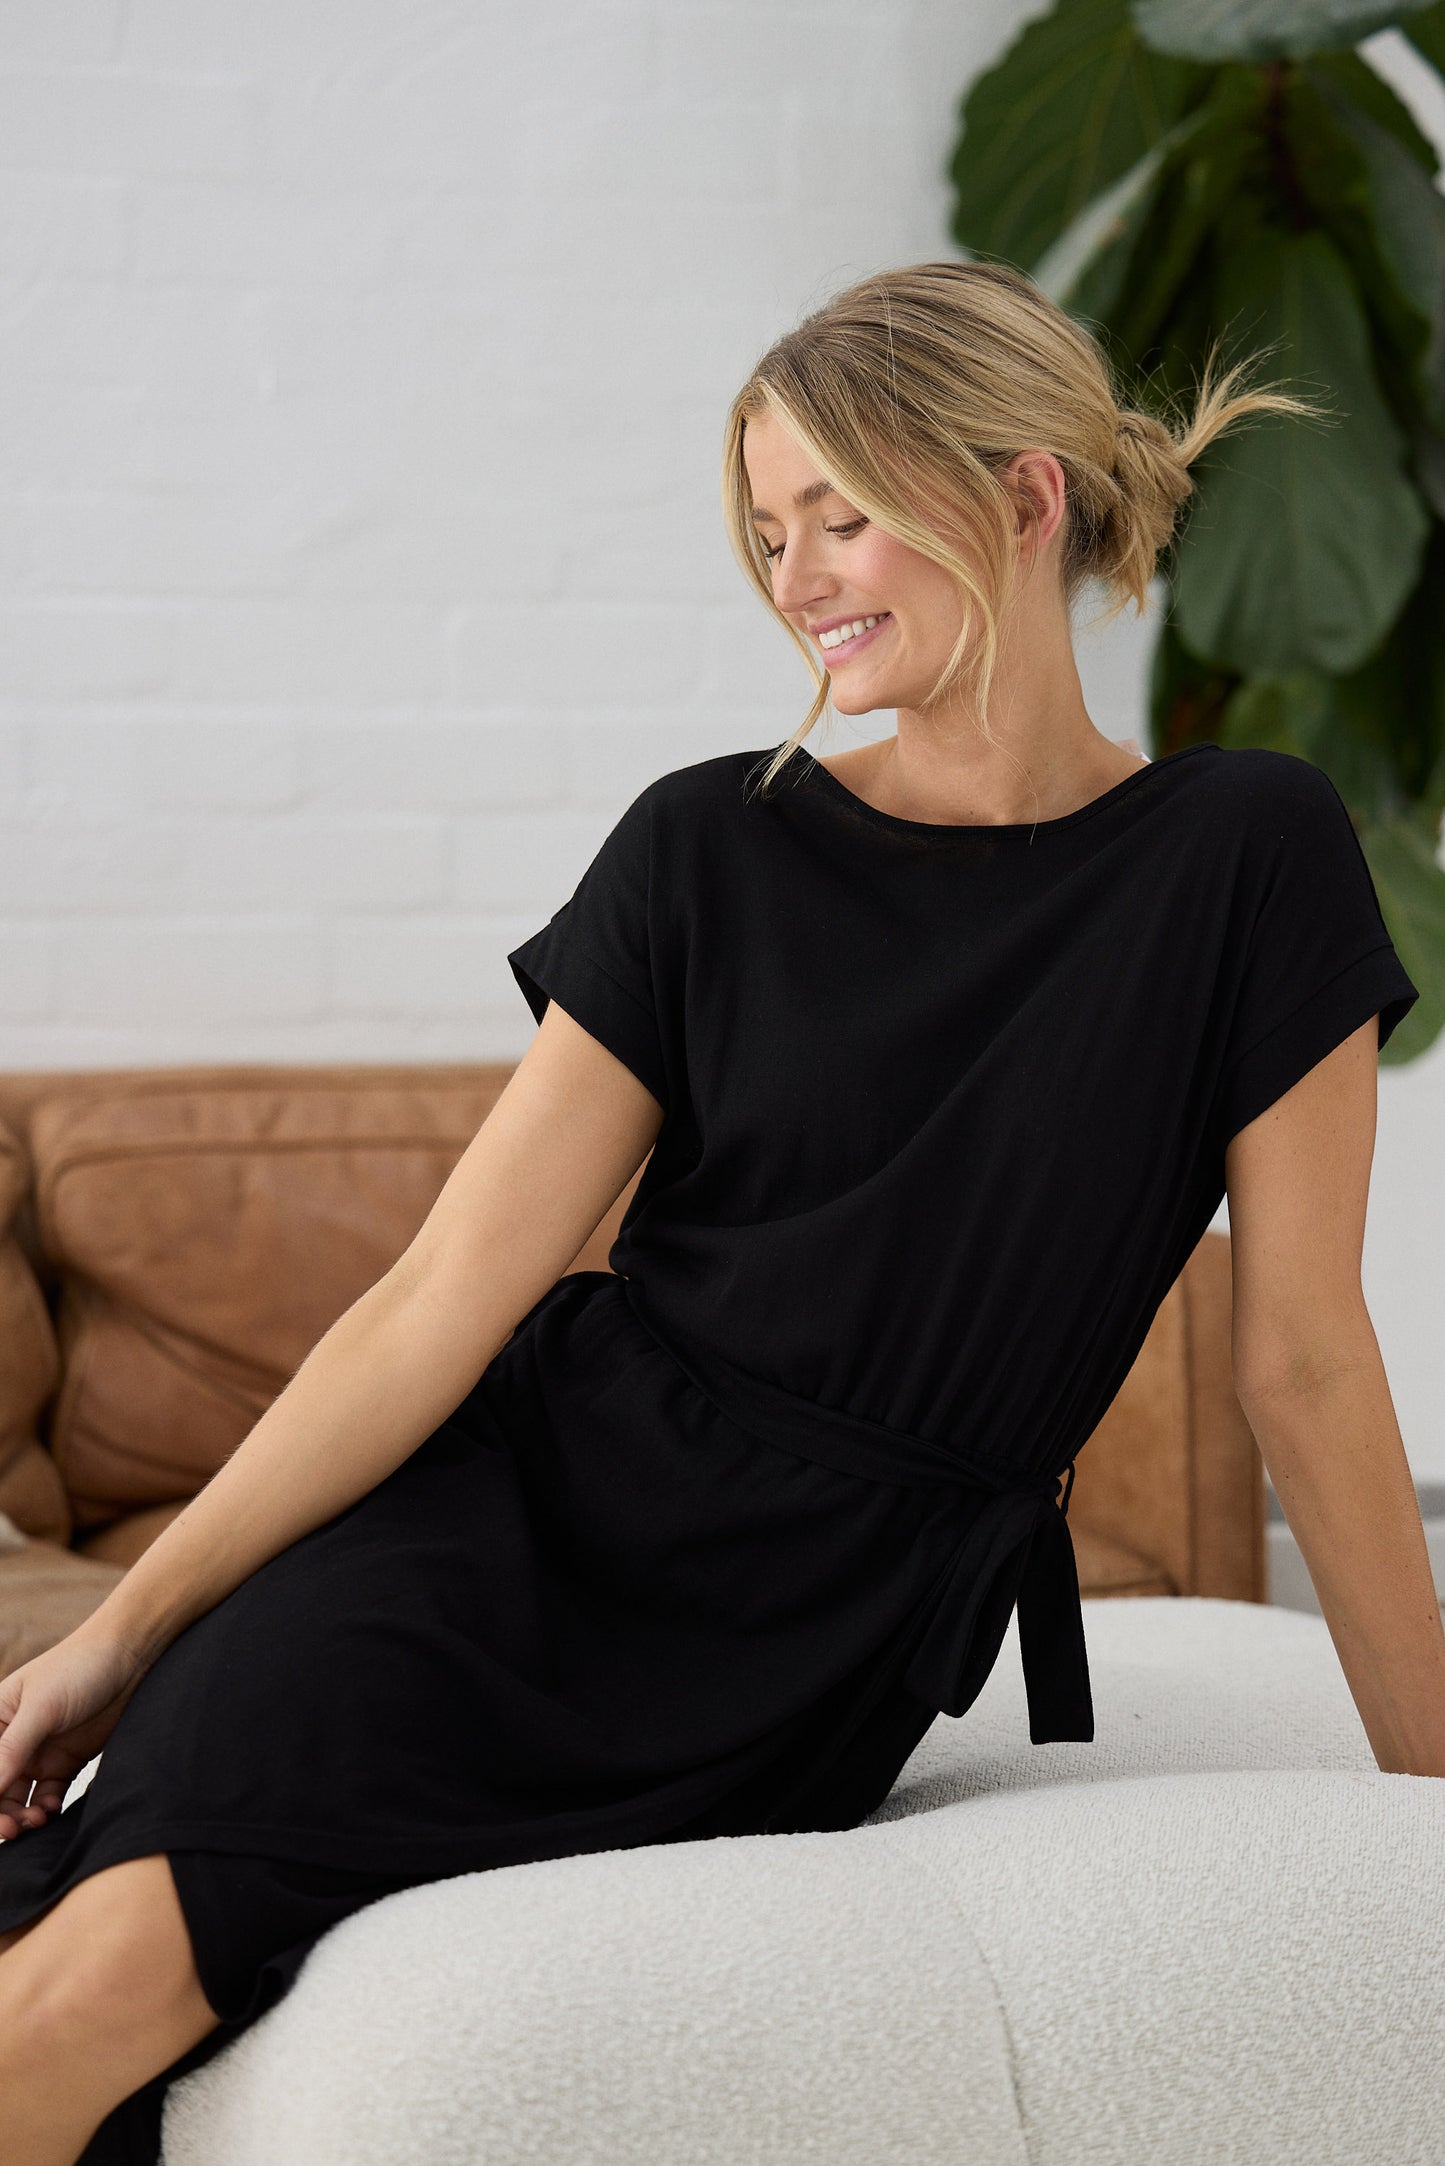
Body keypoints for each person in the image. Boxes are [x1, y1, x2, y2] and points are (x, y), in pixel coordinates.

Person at [0, 257, 1439, 2162]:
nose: (796, 576)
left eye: (841, 514)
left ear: (1025, 495)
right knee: (84, 1976)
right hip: (501, 1525)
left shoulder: (1243, 853)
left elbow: (1305, 1364)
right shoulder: (708, 843)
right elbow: (441, 1296)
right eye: (768, 532)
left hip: (807, 1636)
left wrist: (1432, 1790)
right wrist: (123, 1633)